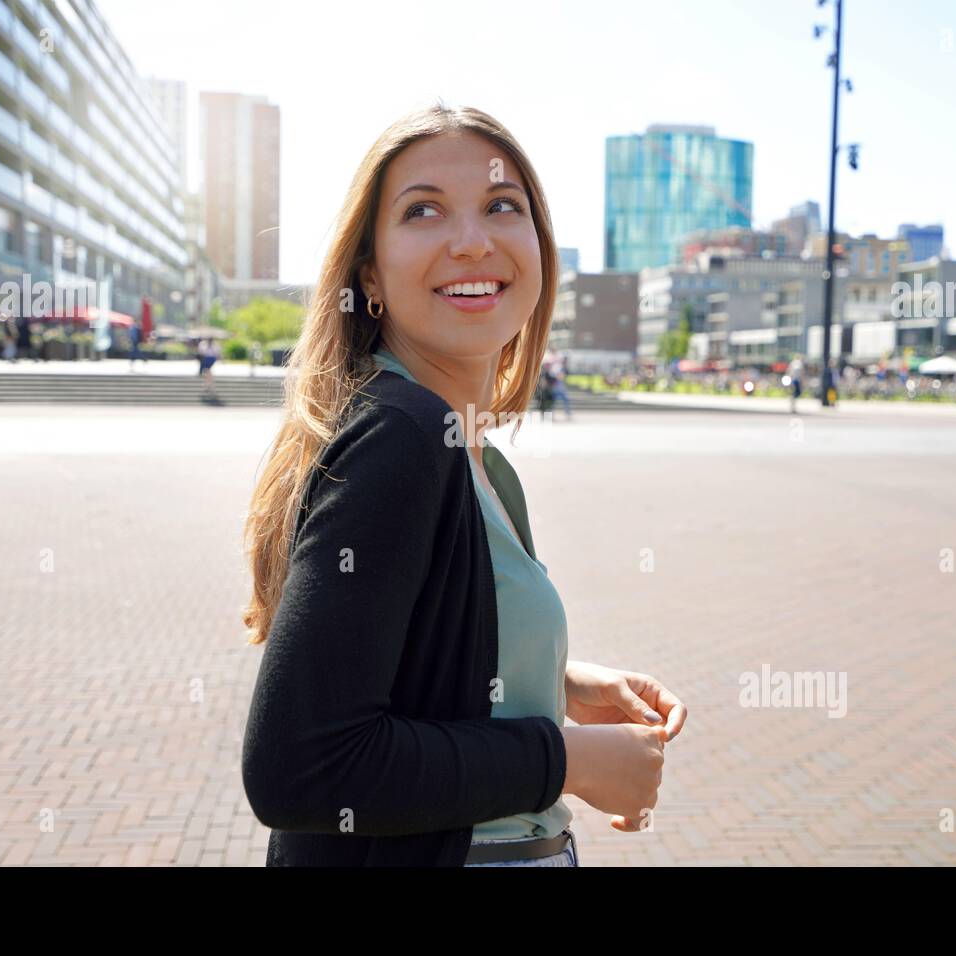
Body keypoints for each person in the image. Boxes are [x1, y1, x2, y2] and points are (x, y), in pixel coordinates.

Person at [240, 105, 686, 868]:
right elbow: (302, 769)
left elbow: (404, 646)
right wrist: (567, 759)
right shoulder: (400, 436)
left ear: (540, 248)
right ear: (370, 274)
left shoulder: (472, 452)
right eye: (423, 211)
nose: (473, 240)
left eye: (502, 206)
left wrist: (551, 680)